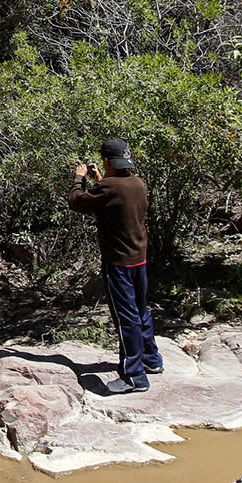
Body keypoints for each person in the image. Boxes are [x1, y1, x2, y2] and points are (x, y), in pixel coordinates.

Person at [68, 138, 159, 391]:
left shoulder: (108, 187)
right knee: (141, 310)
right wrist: (100, 182)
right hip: (138, 259)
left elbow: (76, 202)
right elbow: (117, 200)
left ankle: (134, 376)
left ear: (107, 162)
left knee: (125, 317)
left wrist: (79, 178)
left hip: (118, 263)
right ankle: (152, 359)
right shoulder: (137, 184)